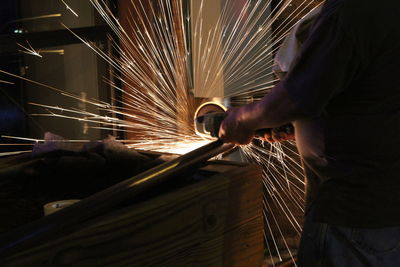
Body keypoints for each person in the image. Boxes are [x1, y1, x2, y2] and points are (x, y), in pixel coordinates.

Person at [219, 0, 400, 266]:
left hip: (353, 215)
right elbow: (374, 95)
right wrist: (301, 125)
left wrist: (243, 119)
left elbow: (296, 99)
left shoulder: (352, 11)